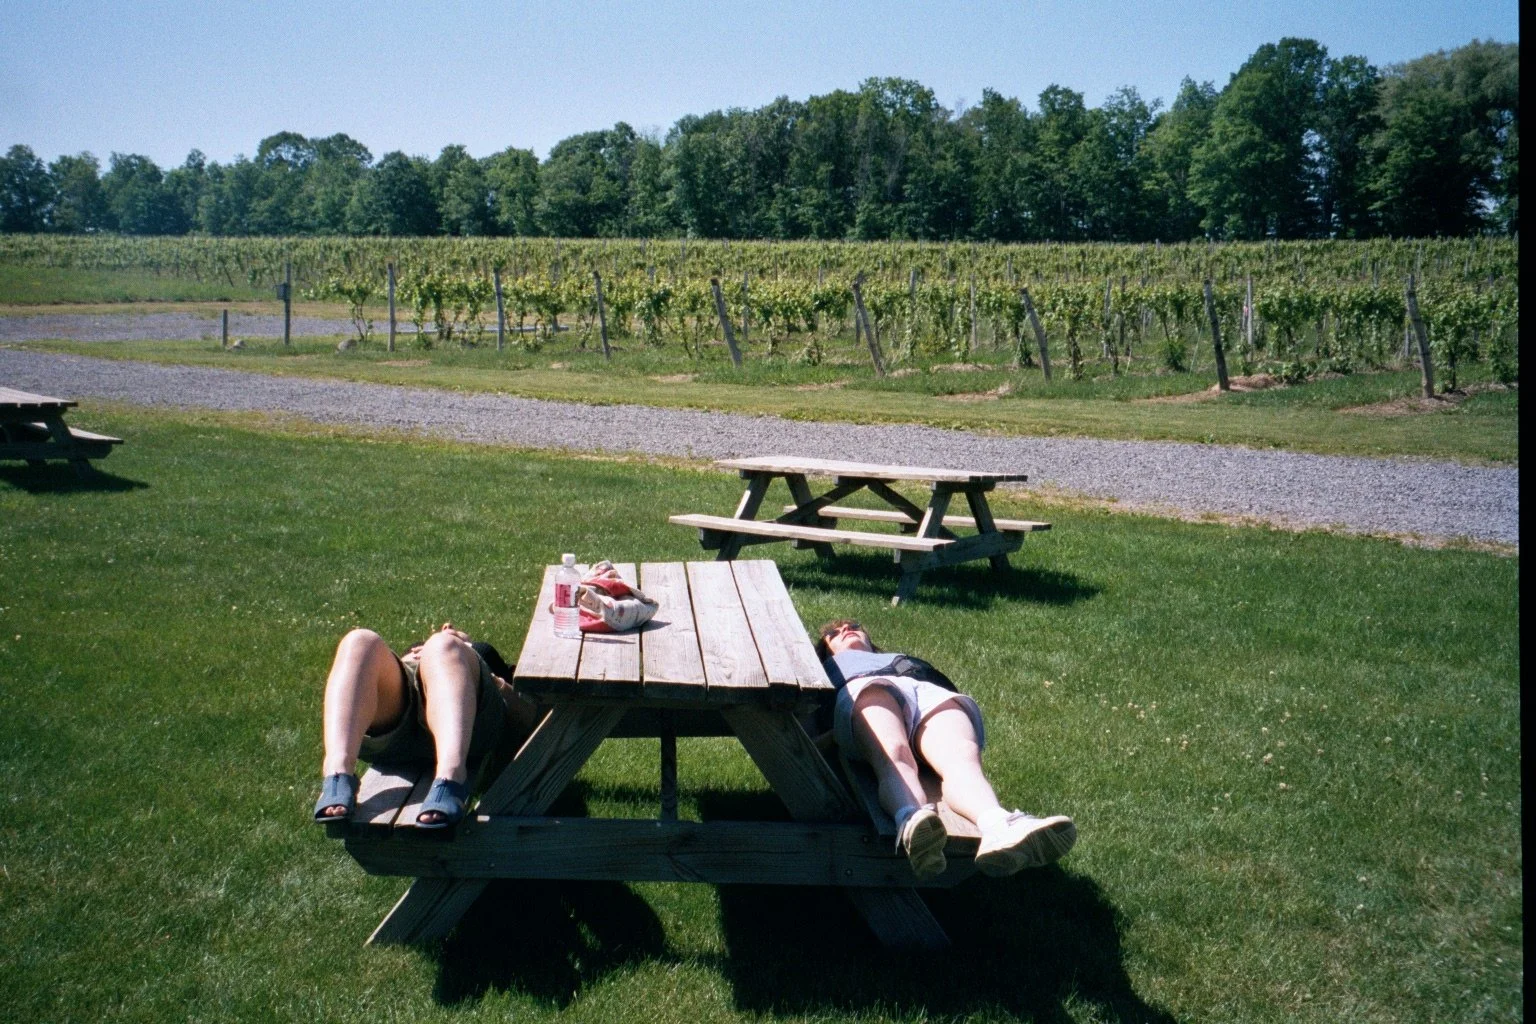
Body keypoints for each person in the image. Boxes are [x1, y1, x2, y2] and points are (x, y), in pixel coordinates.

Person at [814, 619, 1076, 879]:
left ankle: (999, 826)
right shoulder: (824, 670)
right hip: (863, 689)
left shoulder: (898, 657)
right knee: (895, 754)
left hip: (924, 690)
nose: (846, 630)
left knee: (963, 756)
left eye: (854, 626)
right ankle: (913, 822)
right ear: (825, 651)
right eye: (833, 633)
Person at [312, 623, 540, 829]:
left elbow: (530, 719)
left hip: (468, 724)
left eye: (456, 629)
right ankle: (337, 773)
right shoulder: (401, 670)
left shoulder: (472, 655)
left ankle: (451, 777)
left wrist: (468, 656)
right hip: (398, 723)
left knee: (443, 646)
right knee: (360, 640)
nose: (447, 625)